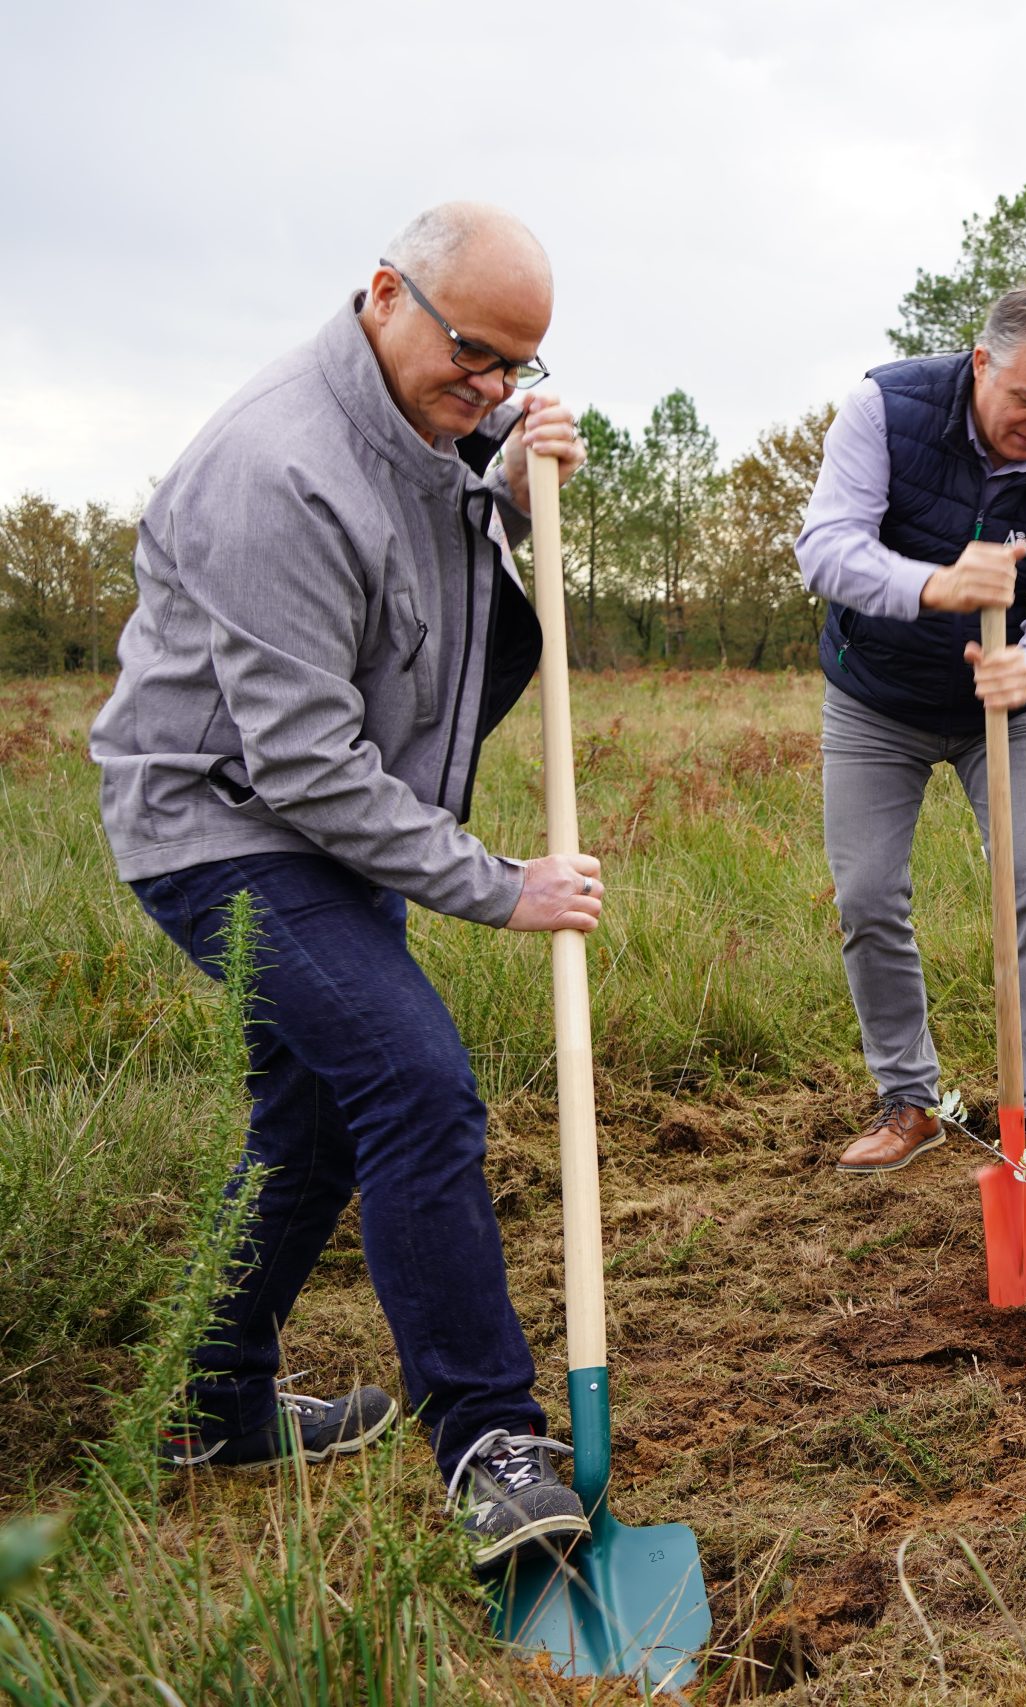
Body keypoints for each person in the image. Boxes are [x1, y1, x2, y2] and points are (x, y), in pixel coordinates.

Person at [90, 203, 601, 1564]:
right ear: (385, 293)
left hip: (330, 823)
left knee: (313, 1126)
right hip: (226, 828)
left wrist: (505, 459)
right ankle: (493, 1444)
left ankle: (214, 1402)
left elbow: (437, 507)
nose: (489, 387)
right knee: (414, 1079)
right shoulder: (278, 470)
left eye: (520, 368)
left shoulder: (424, 417)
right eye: (475, 356)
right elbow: (306, 770)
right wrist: (501, 886)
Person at [796, 285, 1026, 1187]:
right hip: (877, 698)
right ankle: (910, 1101)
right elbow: (825, 547)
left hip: (1006, 709)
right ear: (982, 364)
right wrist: (937, 585)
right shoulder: (884, 409)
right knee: (867, 896)